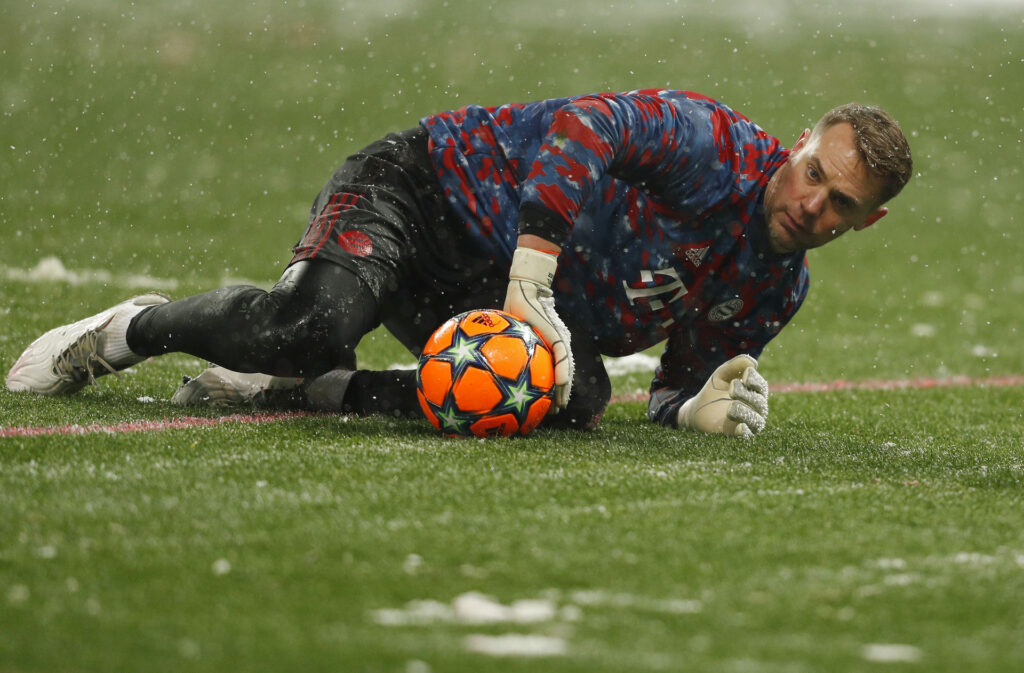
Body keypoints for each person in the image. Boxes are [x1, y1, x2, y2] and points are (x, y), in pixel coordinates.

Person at [6, 89, 912, 437]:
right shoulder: (716, 144)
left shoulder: (773, 286)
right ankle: (127, 329)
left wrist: (694, 410)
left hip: (489, 287)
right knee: (309, 325)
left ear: (864, 224)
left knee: (574, 397)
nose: (810, 204)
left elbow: (672, 387)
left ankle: (308, 392)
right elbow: (591, 121)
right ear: (797, 146)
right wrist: (534, 272)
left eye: (840, 205)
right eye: (811, 175)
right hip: (424, 190)